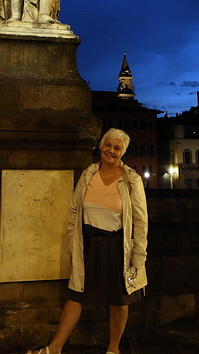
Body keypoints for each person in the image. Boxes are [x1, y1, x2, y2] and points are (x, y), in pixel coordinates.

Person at [27, 128, 148, 354]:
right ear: (101, 146)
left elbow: (141, 221)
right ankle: (54, 349)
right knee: (76, 295)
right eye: (108, 145)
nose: (111, 151)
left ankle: (113, 349)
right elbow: (74, 209)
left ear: (123, 152)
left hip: (116, 246)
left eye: (117, 148)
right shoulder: (88, 174)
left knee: (119, 300)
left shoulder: (131, 180)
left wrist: (138, 255)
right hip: (88, 244)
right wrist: (73, 238)